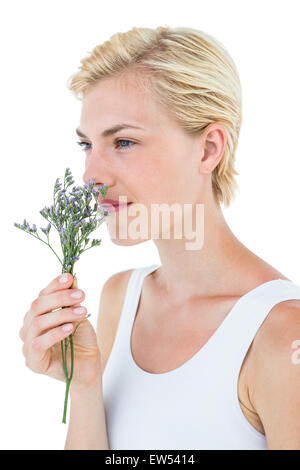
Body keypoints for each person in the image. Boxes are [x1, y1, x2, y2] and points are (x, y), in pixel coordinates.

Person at [20, 25, 300, 450]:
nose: (90, 178)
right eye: (87, 146)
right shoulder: (120, 298)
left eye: (124, 141)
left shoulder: (282, 334)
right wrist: (84, 383)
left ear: (209, 149)